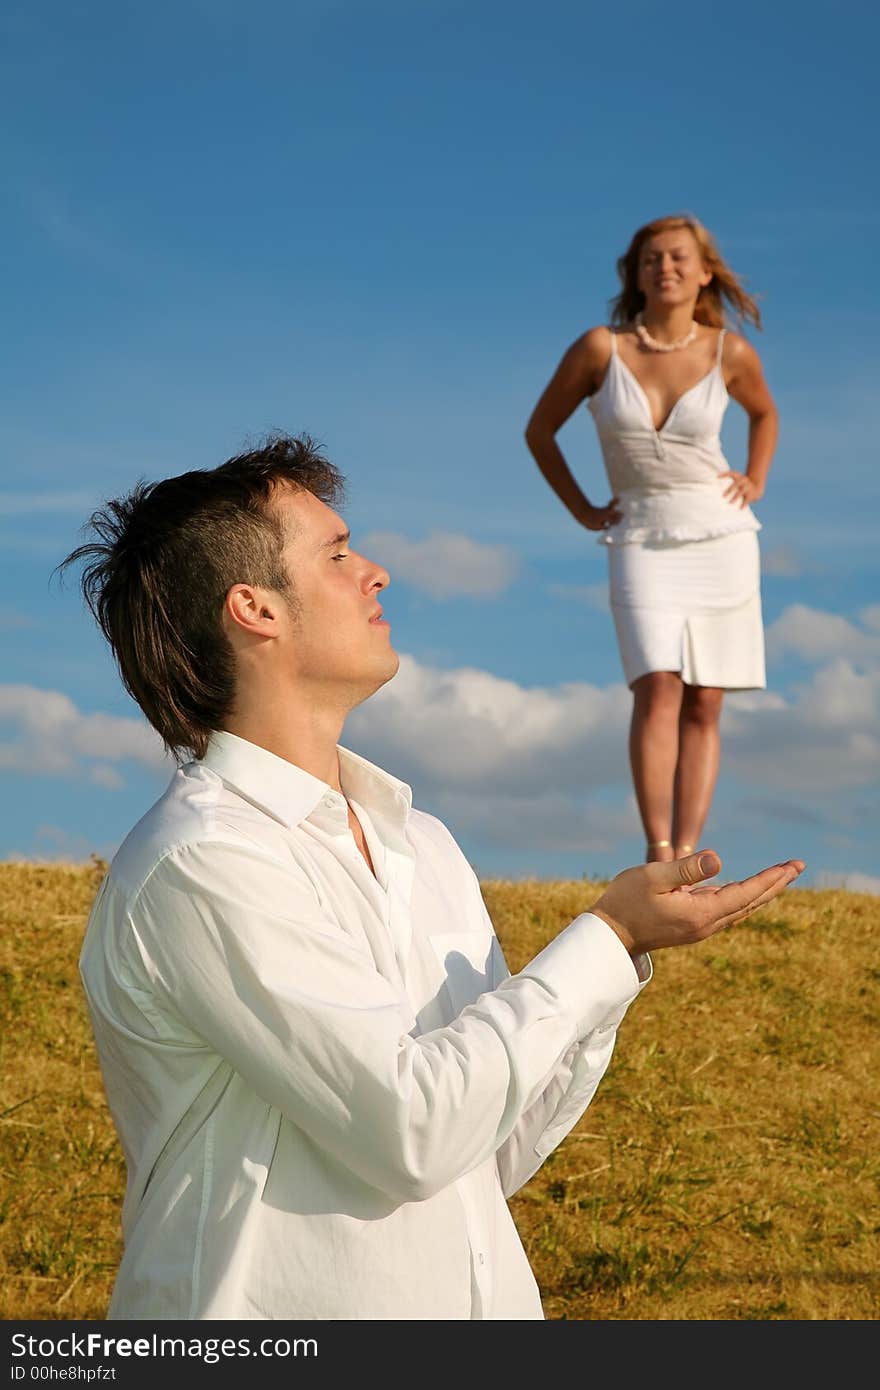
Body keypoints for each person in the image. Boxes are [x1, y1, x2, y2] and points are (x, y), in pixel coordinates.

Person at [59, 433, 801, 1321]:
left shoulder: (425, 842)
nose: (374, 572)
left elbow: (487, 1148)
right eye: (335, 554)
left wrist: (612, 975)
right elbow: (413, 1131)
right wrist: (605, 941)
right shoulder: (204, 861)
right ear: (254, 608)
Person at [525, 213, 779, 863]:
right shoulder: (599, 350)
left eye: (676, 258)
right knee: (657, 684)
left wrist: (754, 477)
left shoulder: (731, 353)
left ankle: (690, 852)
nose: (664, 268)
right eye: (650, 260)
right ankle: (658, 850)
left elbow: (765, 412)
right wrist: (582, 508)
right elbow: (540, 431)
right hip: (638, 531)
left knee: (708, 696)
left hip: (720, 532)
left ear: (704, 273)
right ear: (635, 276)